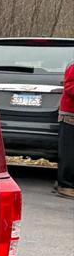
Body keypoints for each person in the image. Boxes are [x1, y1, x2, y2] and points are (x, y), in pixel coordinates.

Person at [58, 61, 74, 198]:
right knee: (69, 152)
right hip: (70, 116)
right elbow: (69, 87)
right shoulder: (73, 67)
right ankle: (65, 185)